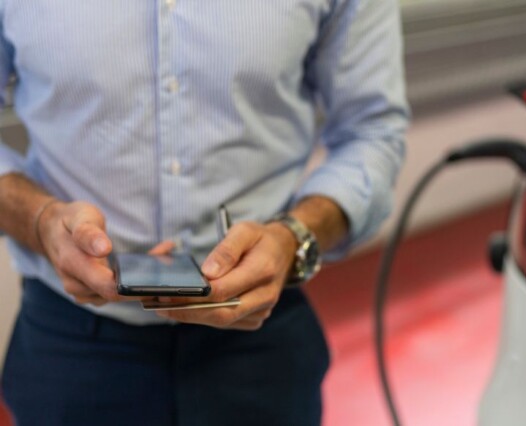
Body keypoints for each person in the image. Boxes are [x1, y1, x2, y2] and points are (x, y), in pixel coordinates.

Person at [0, 0, 408, 425]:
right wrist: (39, 220)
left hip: (261, 336)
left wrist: (293, 237)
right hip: (70, 342)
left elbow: (372, 131)